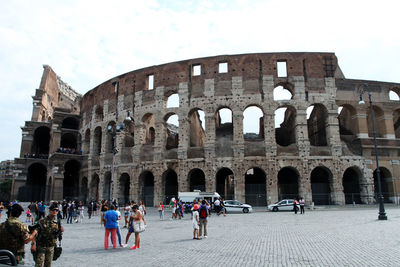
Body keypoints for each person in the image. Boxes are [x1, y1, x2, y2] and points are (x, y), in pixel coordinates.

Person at [32, 203, 63, 267]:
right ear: (50, 211)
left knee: (48, 265)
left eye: (56, 210)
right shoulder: (42, 221)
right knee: (39, 264)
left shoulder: (58, 222)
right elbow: (34, 232)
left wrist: (61, 230)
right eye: (53, 210)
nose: (55, 211)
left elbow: (58, 233)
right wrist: (33, 244)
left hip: (51, 247)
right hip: (41, 246)